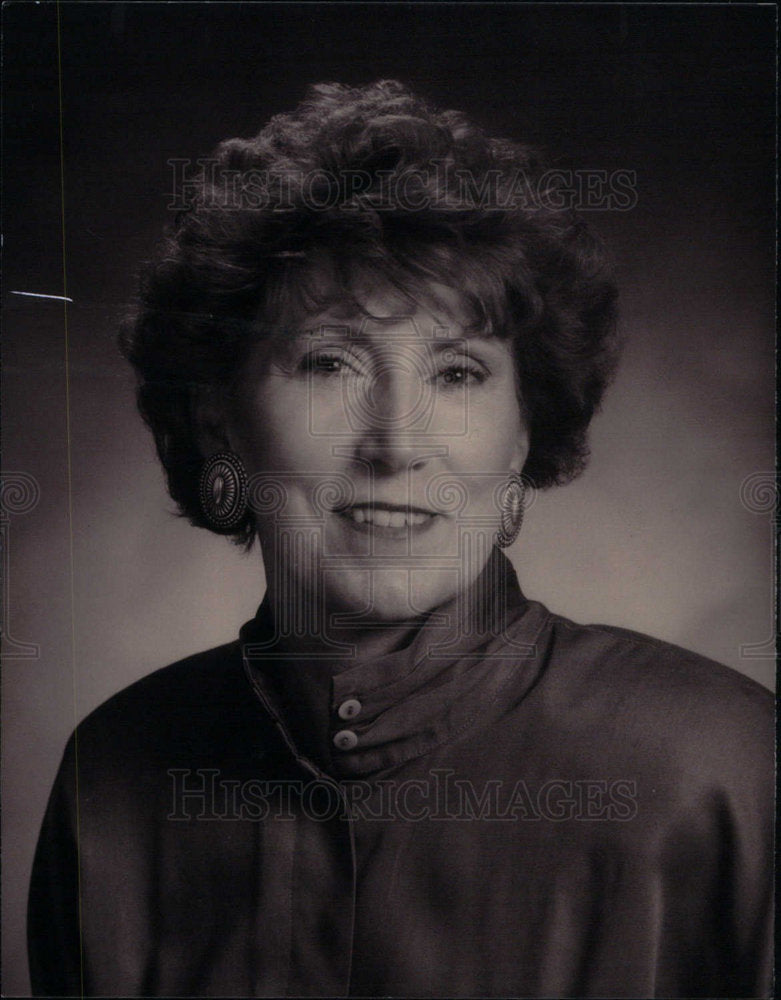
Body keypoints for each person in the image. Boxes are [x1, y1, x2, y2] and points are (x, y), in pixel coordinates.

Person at [28, 80, 773, 998]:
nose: (396, 443)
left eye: (458, 372)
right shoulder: (110, 780)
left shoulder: (724, 768)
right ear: (220, 420)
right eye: (329, 362)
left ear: (524, 433)